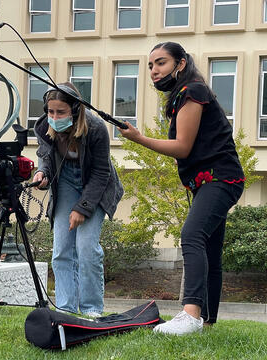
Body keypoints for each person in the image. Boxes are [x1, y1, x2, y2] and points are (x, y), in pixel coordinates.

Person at [118, 42, 245, 335]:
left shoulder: (193, 92)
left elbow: (182, 147)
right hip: (210, 182)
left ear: (181, 64)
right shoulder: (182, 96)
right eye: (150, 65)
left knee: (192, 234)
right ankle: (208, 322)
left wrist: (138, 139)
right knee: (210, 249)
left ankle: (191, 313)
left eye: (160, 63)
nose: (154, 71)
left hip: (220, 179)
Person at [32, 82, 123, 317]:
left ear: (75, 109)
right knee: (61, 248)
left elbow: (101, 173)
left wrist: (82, 208)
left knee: (86, 248)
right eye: (50, 111)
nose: (54, 116)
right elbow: (46, 158)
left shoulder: (95, 128)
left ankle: (92, 309)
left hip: (95, 184)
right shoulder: (44, 127)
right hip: (65, 182)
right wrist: (43, 173)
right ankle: (66, 308)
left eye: (60, 112)